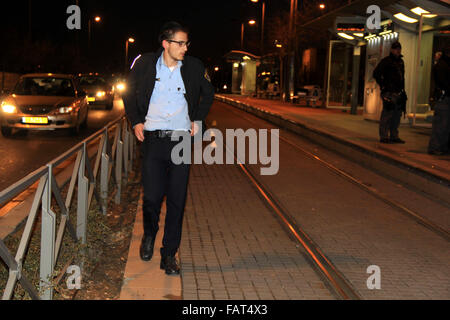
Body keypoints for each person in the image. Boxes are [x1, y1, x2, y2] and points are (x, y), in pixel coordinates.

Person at [123, 21, 214, 275]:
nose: (185, 48)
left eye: (187, 43)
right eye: (180, 43)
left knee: (177, 200)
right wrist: (136, 121)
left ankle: (169, 254)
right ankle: (149, 234)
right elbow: (128, 92)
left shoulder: (194, 67)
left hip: (181, 141)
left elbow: (208, 93)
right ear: (166, 44)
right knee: (152, 197)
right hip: (153, 139)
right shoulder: (144, 64)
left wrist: (198, 119)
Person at [373, 41, 407, 144]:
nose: (398, 50)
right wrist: (383, 86)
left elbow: (402, 78)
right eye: (396, 49)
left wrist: (402, 90)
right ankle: (384, 136)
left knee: (396, 115)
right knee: (387, 114)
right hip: (389, 92)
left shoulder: (400, 62)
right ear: (392, 50)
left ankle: (394, 135)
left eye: (399, 49)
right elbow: (376, 73)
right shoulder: (386, 61)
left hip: (398, 92)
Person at [428, 49, 450, 155]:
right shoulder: (442, 66)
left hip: (444, 97)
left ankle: (441, 147)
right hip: (444, 98)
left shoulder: (443, 65)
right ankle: (436, 147)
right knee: (441, 124)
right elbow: (443, 82)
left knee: (444, 124)